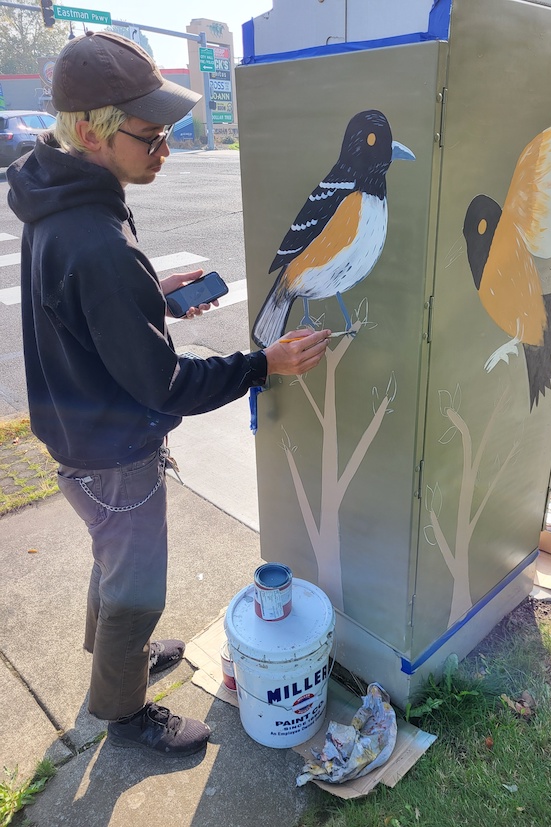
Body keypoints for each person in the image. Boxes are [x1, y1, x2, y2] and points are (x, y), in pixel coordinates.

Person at [7, 31, 330, 759]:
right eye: (151, 137)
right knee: (136, 587)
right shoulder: (97, 239)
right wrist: (263, 364)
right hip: (115, 451)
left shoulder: (56, 196)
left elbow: (80, 308)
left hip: (76, 433)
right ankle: (122, 712)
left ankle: (119, 656)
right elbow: (167, 383)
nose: (165, 152)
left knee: (112, 561)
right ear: (91, 129)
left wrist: (146, 298)